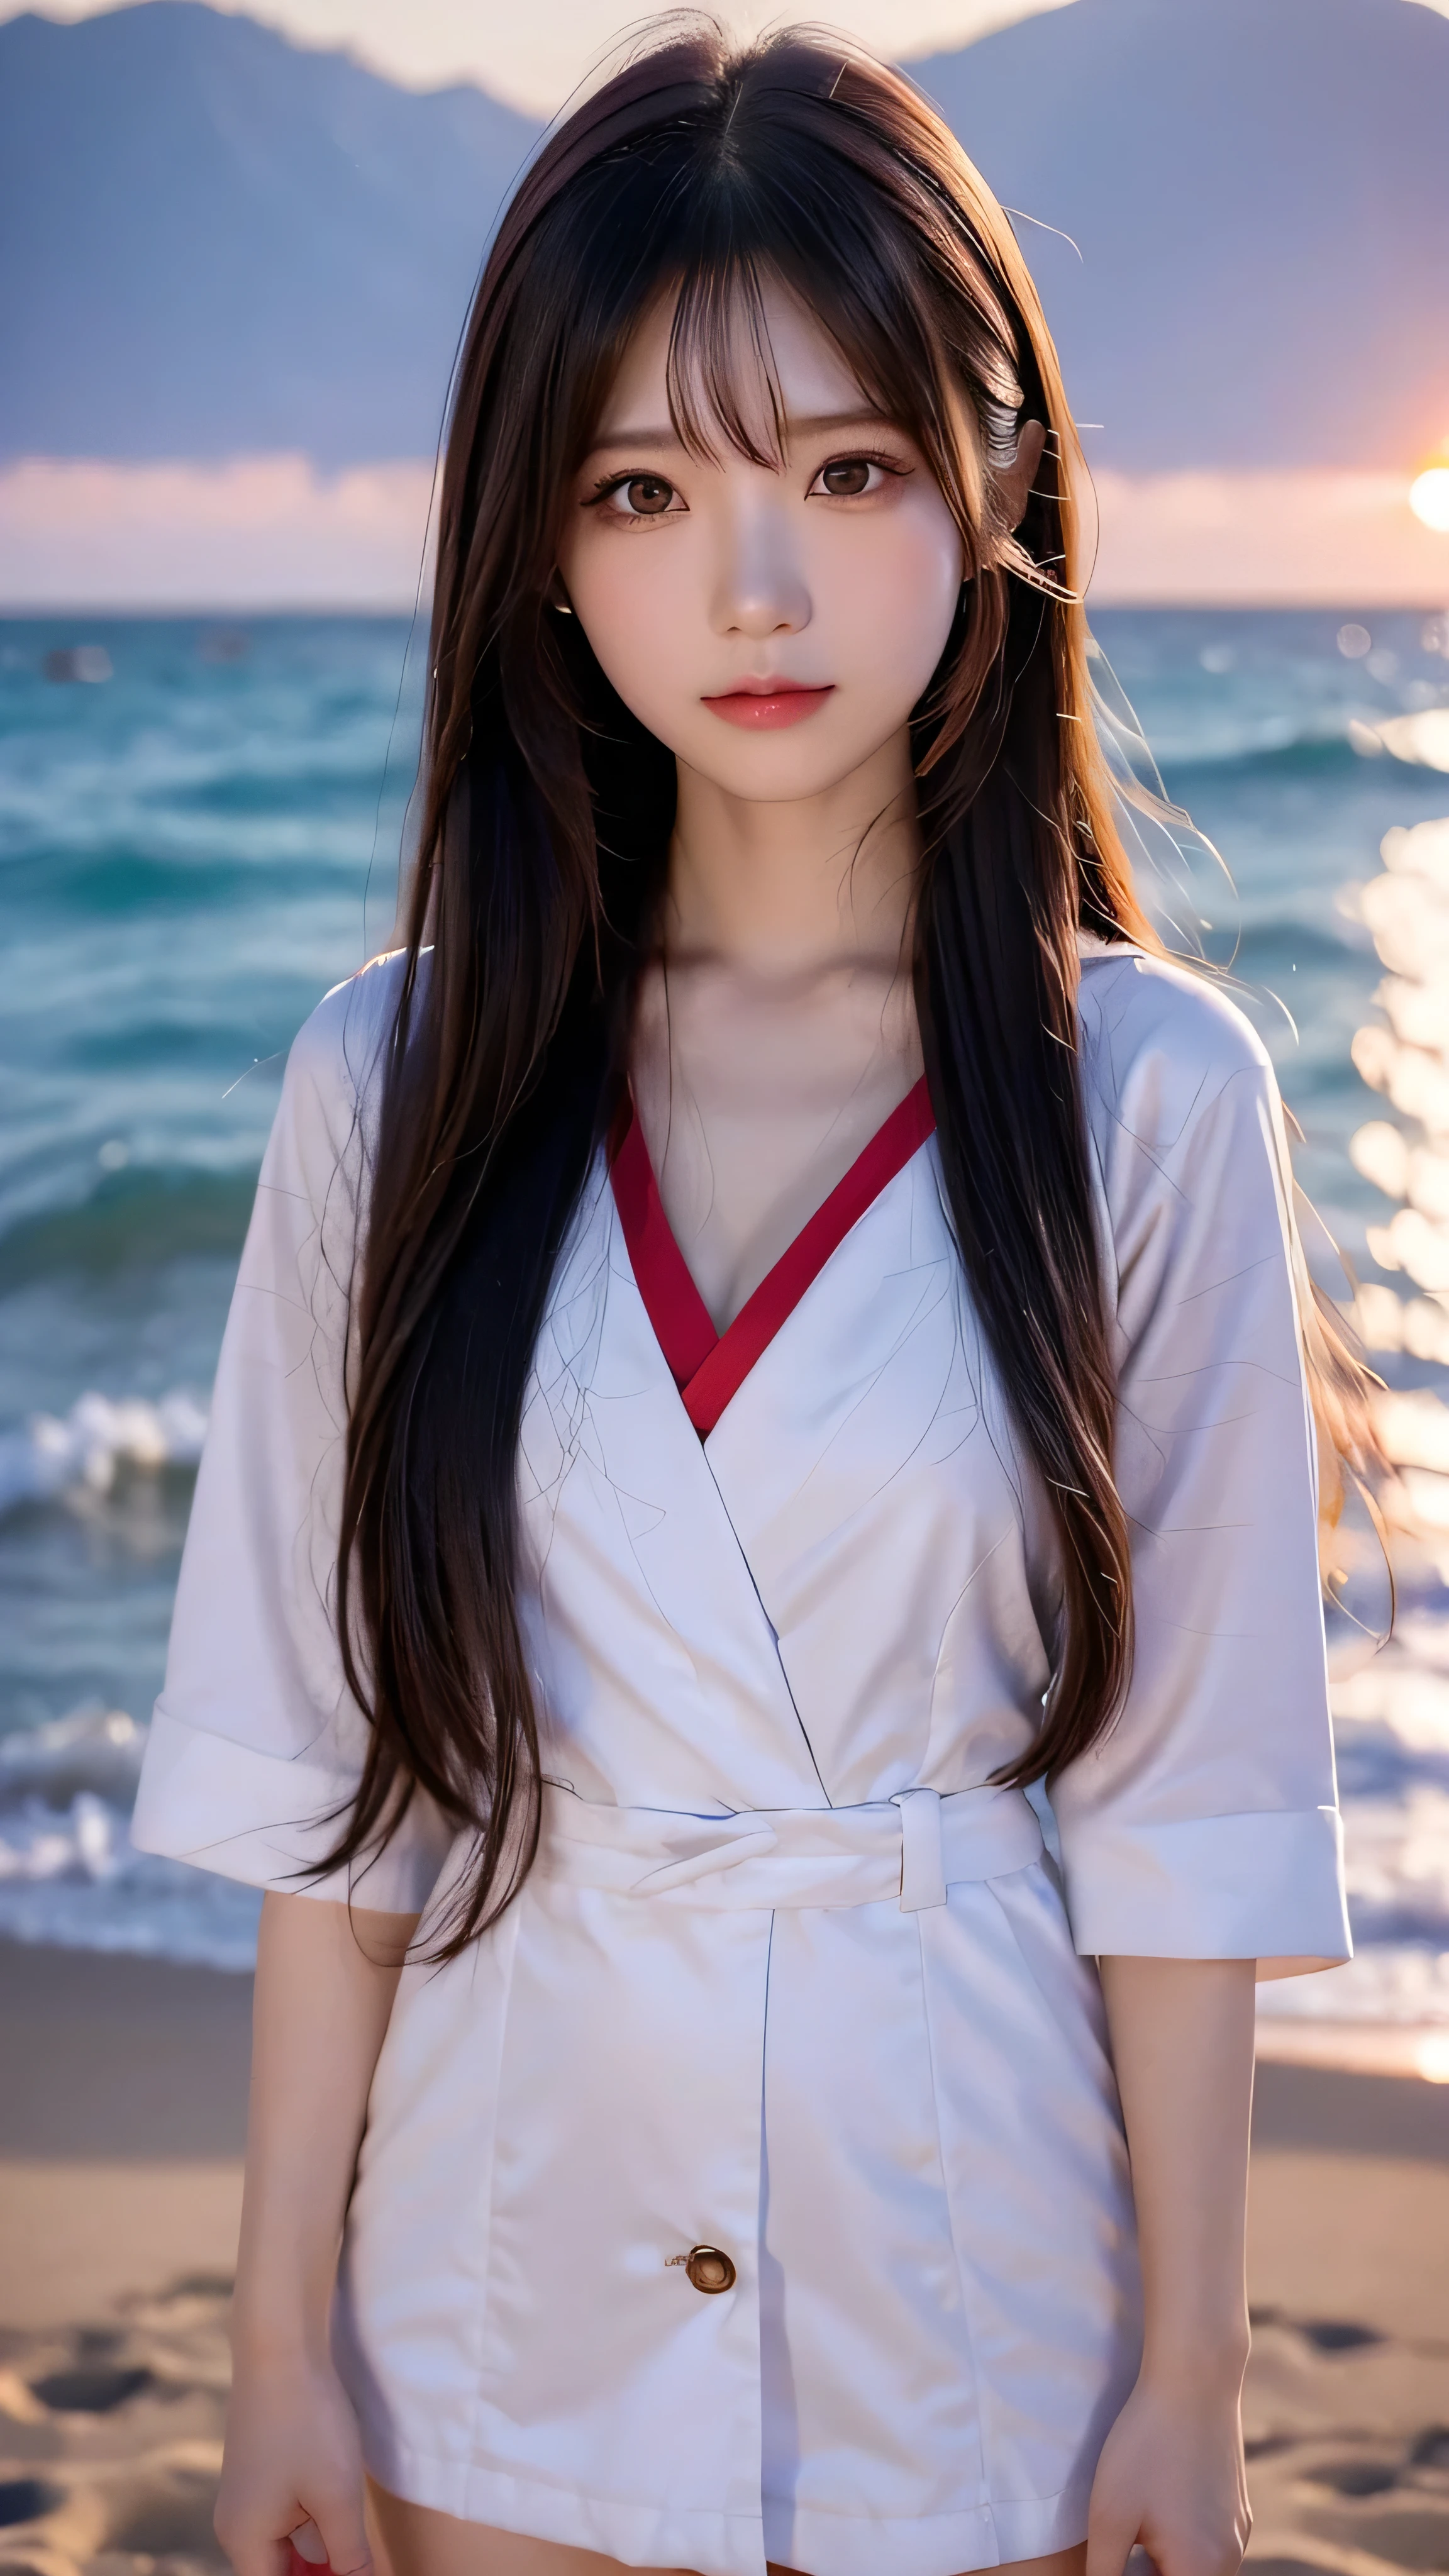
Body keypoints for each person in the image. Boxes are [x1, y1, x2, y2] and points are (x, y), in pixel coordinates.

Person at [131, 25, 1374, 2576]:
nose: (759, 585)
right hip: (495, 2323)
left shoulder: (1144, 1095)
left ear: (996, 478)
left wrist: (1193, 2380)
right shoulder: (394, 1080)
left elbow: (1189, 1813)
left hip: (985, 2303)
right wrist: (273, 2350)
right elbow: (318, 1778)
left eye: (845, 467)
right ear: (543, 544)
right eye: (647, 486)